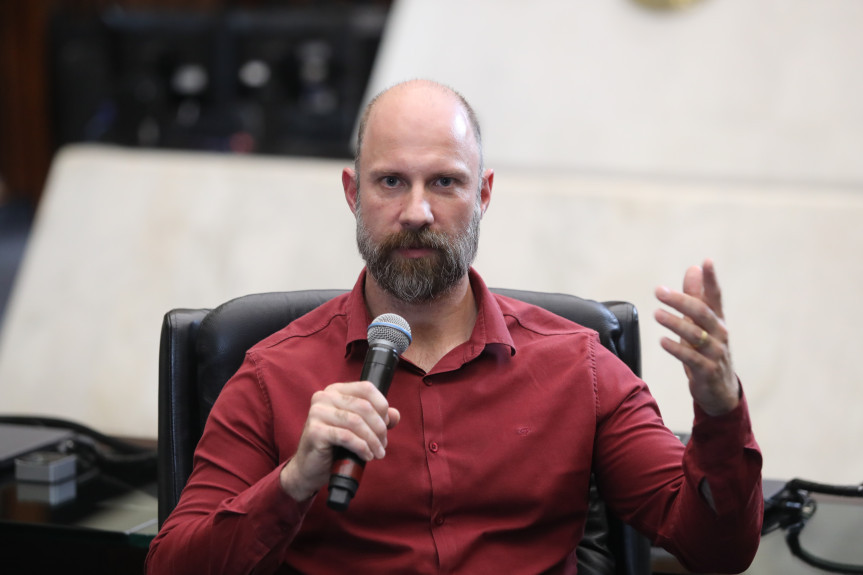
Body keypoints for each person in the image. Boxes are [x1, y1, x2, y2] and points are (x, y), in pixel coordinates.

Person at [146, 79, 762, 574]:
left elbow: (716, 552)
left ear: (484, 194)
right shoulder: (272, 375)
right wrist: (292, 483)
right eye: (391, 182)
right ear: (352, 193)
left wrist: (719, 408)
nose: (417, 211)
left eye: (445, 182)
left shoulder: (583, 367)